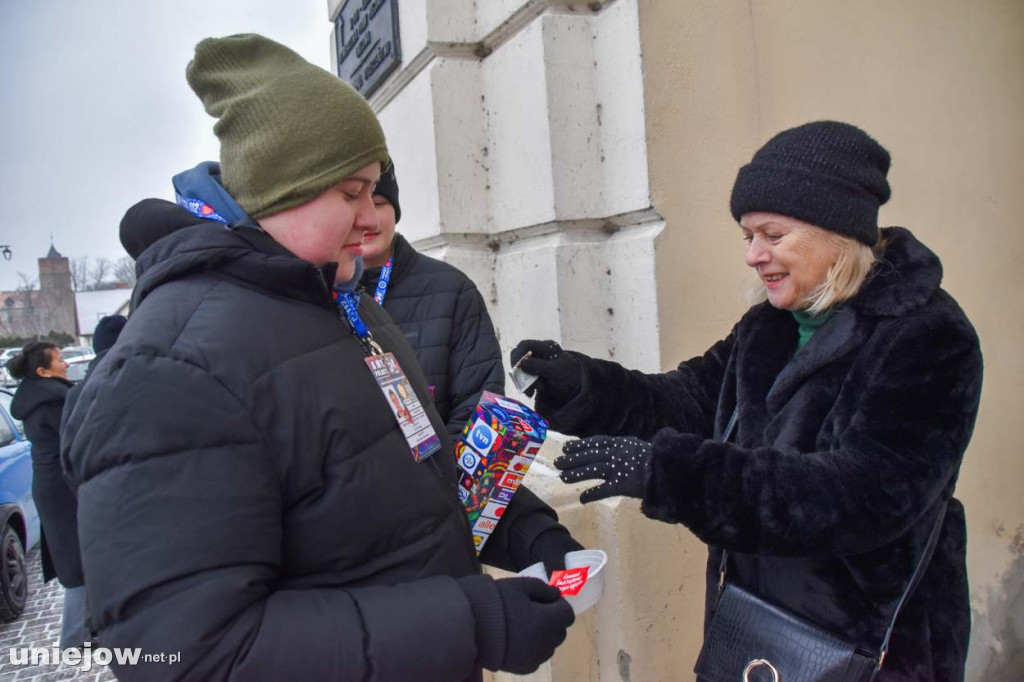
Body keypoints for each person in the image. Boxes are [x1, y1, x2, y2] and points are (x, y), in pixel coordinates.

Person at [62, 34, 576, 682]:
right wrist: (470, 623)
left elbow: (405, 488)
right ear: (284, 189)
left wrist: (527, 530)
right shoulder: (171, 368)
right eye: (353, 192)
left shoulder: (346, 308)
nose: (373, 218)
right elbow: (192, 659)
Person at [512, 121, 983, 681]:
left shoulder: (928, 335)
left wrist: (671, 474)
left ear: (837, 230)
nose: (753, 256)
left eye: (772, 235)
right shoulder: (772, 324)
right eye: (747, 236)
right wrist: (586, 387)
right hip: (755, 638)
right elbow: (688, 400)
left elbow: (860, 495)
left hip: (870, 651)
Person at [360, 163, 504, 437]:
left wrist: (439, 475)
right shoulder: (321, 294)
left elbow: (480, 402)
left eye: (378, 203)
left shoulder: (453, 290)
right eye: (354, 204)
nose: (369, 219)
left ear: (395, 210)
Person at [7, 342, 88, 648]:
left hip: (54, 485)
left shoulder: (40, 397)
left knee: (82, 557)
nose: (66, 364)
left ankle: (86, 631)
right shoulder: (52, 402)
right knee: (78, 562)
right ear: (42, 371)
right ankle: (73, 640)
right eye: (60, 359)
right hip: (62, 487)